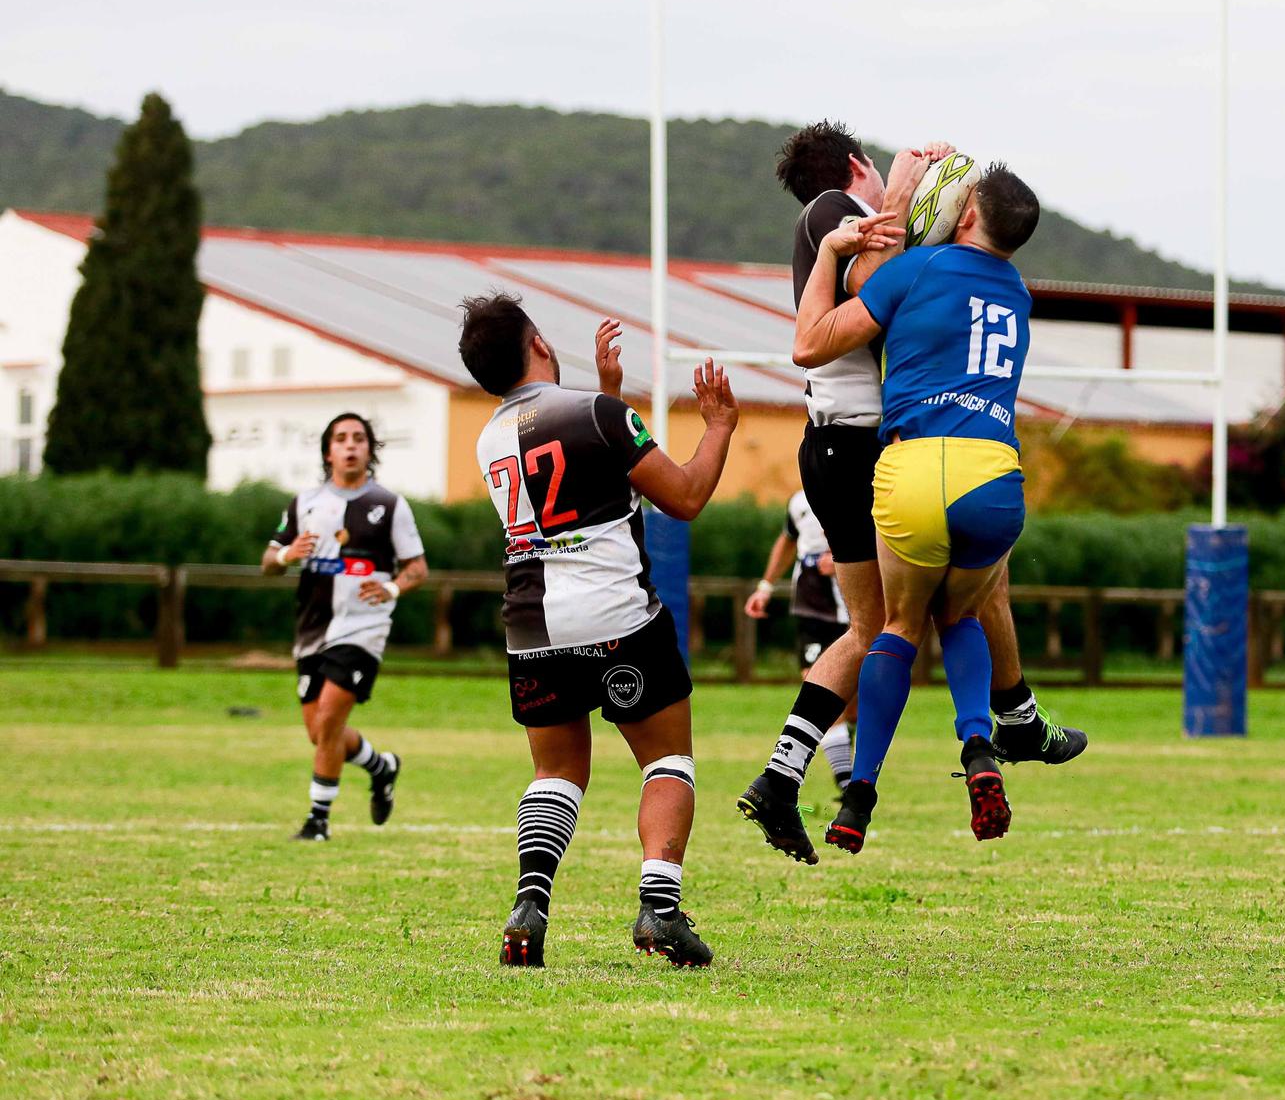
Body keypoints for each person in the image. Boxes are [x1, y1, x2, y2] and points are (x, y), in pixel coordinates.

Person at [737, 122, 1082, 868]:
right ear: (859, 168)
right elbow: (864, 289)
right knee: (938, 606)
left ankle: (785, 776)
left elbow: (904, 289)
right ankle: (1009, 722)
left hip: (858, 442)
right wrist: (899, 194)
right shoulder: (836, 210)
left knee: (883, 625)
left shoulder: (903, 255)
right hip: (861, 441)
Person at [458, 297, 737, 969]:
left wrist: (610, 394)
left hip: (531, 625)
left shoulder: (489, 438)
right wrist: (721, 425)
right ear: (542, 345)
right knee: (666, 761)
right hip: (616, 617)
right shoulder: (600, 416)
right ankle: (660, 910)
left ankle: (530, 903)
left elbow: (573, 474)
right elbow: (687, 496)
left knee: (555, 772)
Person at [789, 163, 1041, 853]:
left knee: (896, 626)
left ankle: (859, 794)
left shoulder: (918, 270)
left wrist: (885, 217)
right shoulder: (1017, 292)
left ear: (961, 214)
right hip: (993, 471)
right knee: (958, 612)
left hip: (912, 462)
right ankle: (981, 747)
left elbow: (817, 337)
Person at [262, 413, 428, 842]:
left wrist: (391, 587)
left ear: (370, 450)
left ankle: (318, 820)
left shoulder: (390, 505)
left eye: (358, 438)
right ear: (327, 451)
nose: (350, 445)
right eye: (341, 439)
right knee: (319, 731)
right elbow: (268, 561)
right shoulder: (304, 504)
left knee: (331, 720)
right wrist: (285, 556)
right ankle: (382, 766)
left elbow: (417, 568)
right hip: (312, 630)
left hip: (363, 630)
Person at [745, 490, 857, 792]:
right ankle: (846, 783)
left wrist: (845, 560)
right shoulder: (797, 501)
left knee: (853, 701)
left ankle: (851, 768)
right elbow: (787, 540)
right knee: (819, 685)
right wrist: (765, 587)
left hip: (853, 606)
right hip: (811, 609)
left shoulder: (862, 488)